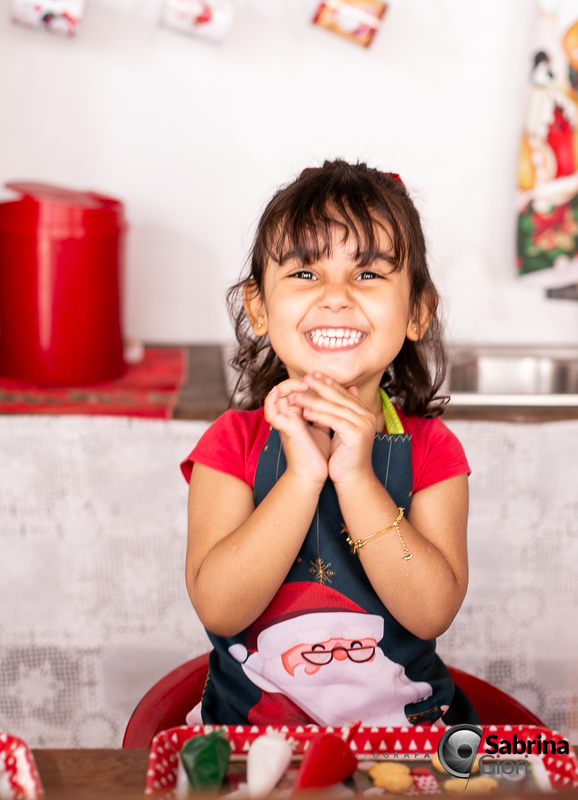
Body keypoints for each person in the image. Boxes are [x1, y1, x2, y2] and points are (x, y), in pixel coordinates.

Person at [180, 160, 477, 728]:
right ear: (259, 307)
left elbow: (430, 612)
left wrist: (357, 477)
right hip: (250, 742)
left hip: (406, 741)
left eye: (368, 275)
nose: (336, 297)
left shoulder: (435, 450)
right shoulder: (229, 444)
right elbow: (220, 608)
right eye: (305, 274)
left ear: (417, 310)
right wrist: (302, 476)